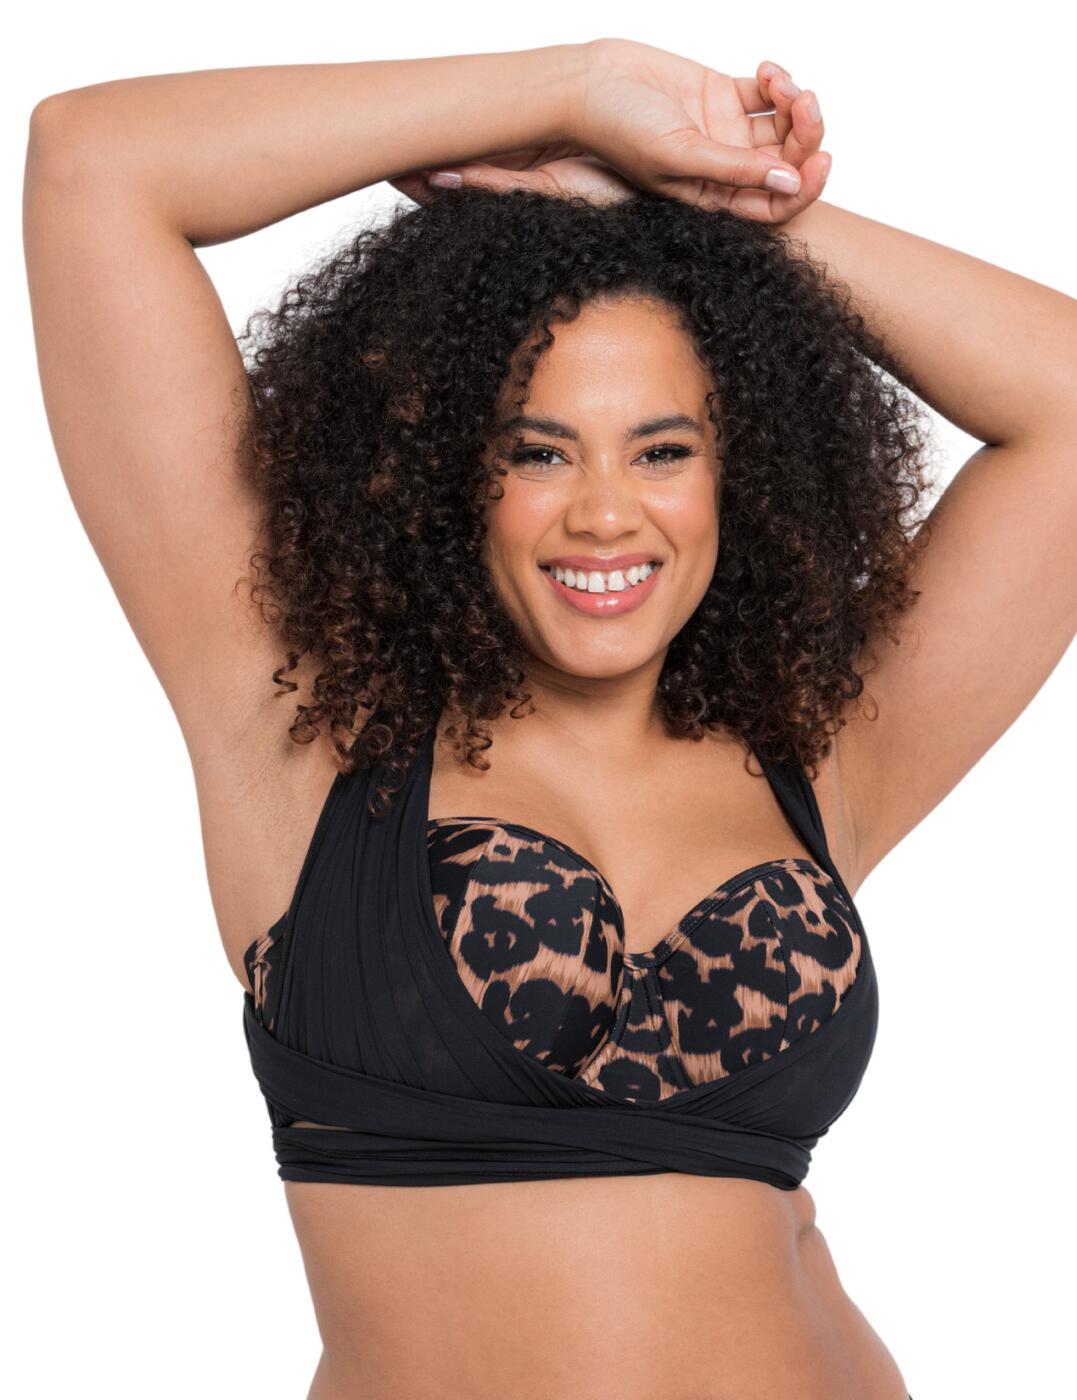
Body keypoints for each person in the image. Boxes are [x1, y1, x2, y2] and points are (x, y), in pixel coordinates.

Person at [23, 35, 1075, 1400]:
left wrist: (684, 211)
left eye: (663, 450)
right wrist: (575, 90)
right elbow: (94, 165)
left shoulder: (818, 757)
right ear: (446, 473)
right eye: (537, 451)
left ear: (737, 474)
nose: (605, 514)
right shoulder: (303, 725)